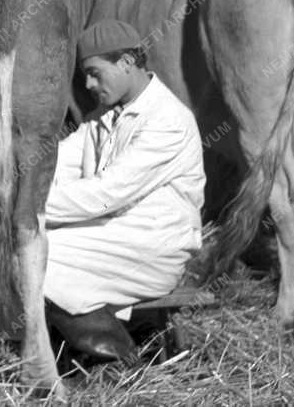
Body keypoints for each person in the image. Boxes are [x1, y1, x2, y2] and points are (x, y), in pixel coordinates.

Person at [43, 19, 205, 363]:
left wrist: (29, 209)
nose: (87, 84)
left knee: (37, 250)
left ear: (127, 62)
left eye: (94, 72)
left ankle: (117, 356)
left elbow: (106, 193)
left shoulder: (168, 120)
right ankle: (101, 345)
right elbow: (60, 163)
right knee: (30, 244)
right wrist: (15, 180)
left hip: (154, 245)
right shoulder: (103, 118)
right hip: (113, 236)